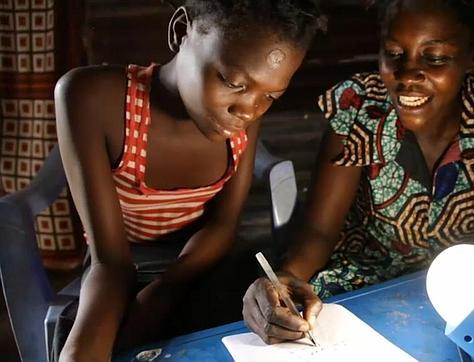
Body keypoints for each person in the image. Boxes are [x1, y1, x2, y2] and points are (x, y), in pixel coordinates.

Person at [243, 0, 474, 344]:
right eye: (394, 53)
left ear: (473, 57)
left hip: (465, 302)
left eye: (435, 58)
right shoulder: (360, 106)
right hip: (359, 286)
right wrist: (286, 278)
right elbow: (320, 230)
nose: (407, 75)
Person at [54, 1, 324, 360]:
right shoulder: (92, 98)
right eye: (232, 82)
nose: (248, 109)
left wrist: (166, 289)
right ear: (182, 30)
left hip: (205, 257)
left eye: (271, 96)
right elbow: (110, 262)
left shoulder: (244, 110)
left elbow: (224, 225)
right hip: (123, 257)